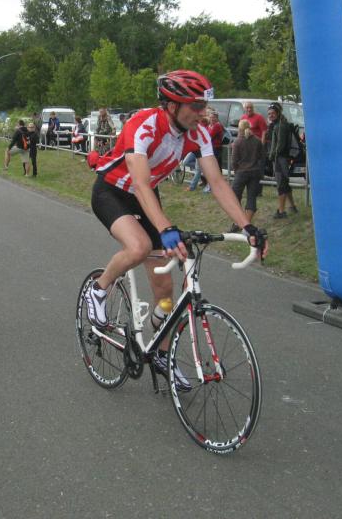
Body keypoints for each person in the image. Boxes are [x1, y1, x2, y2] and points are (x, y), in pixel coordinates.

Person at [85, 70, 267, 391]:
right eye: (195, 106)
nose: (202, 112)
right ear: (172, 105)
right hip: (113, 191)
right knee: (139, 247)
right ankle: (99, 289)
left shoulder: (198, 134)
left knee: (165, 289)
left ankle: (161, 353)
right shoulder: (143, 125)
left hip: (146, 196)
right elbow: (140, 183)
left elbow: (217, 182)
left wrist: (247, 225)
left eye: (204, 105)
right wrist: (165, 228)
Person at [229, 119, 265, 227]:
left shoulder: (237, 142)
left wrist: (236, 170)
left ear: (239, 129)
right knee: (251, 198)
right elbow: (262, 156)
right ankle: (247, 224)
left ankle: (238, 222)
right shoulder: (257, 140)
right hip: (255, 172)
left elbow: (234, 160)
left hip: (241, 172)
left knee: (235, 197)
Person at [266, 102, 298, 219]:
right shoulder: (278, 124)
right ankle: (292, 206)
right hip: (281, 158)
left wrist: (271, 156)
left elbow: (280, 146)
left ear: (278, 113)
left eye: (273, 113)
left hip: (281, 159)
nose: (270, 115)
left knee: (281, 184)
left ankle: (281, 211)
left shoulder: (280, 126)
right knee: (285, 183)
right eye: (269, 114)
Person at [186, 114, 210, 191]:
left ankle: (192, 186)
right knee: (186, 162)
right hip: (194, 149)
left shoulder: (205, 129)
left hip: (200, 150)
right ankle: (202, 170)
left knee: (198, 169)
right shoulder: (195, 127)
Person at [203, 108, 225, 193]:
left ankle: (216, 185)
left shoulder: (217, 126)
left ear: (217, 118)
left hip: (216, 148)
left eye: (213, 117)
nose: (212, 119)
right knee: (214, 167)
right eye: (211, 117)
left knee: (216, 167)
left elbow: (209, 136)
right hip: (211, 148)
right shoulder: (209, 126)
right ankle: (214, 185)